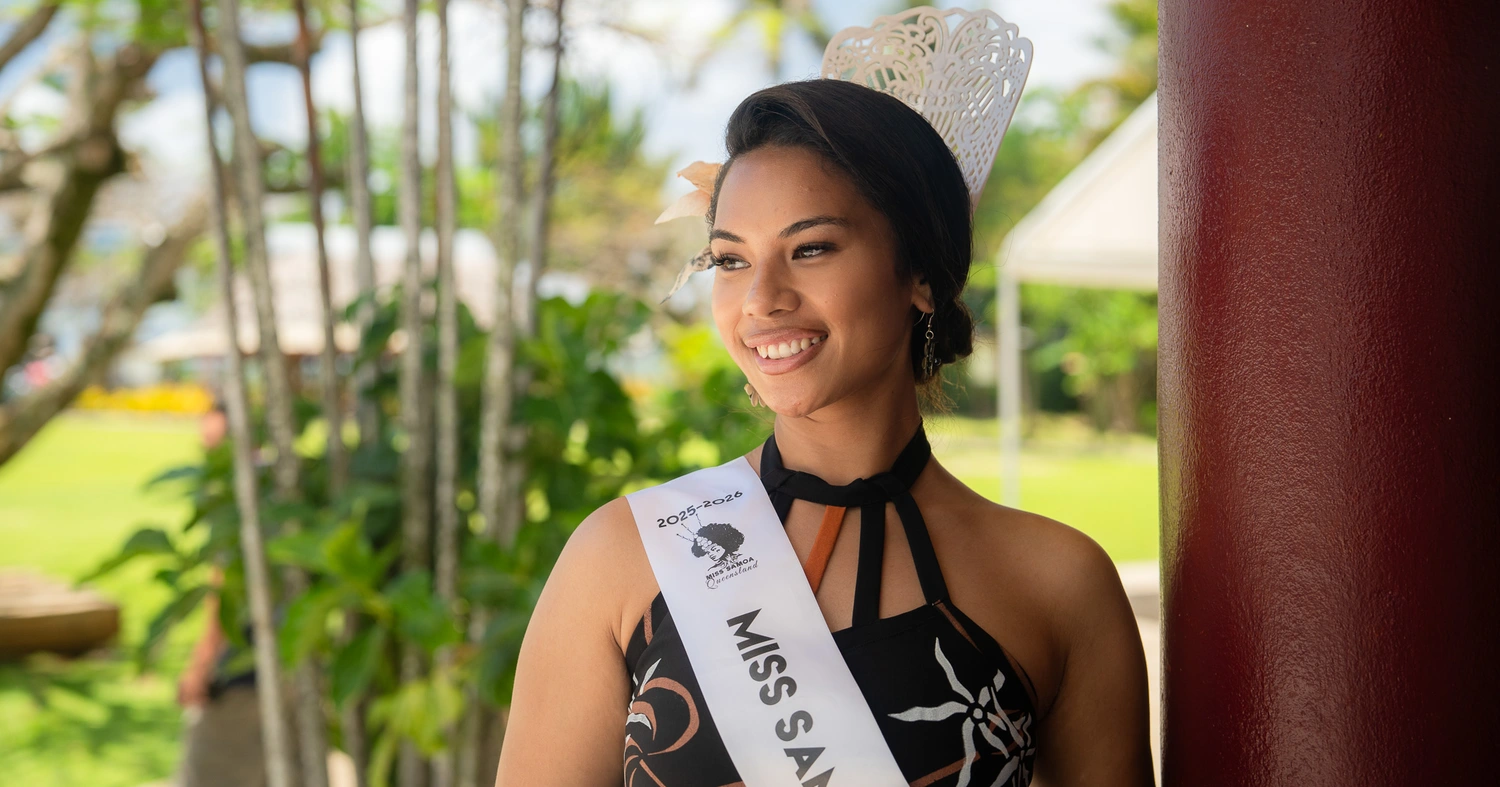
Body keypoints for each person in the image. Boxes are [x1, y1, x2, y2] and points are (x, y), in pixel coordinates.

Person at [497, 78, 1153, 786]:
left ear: (921, 274)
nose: (761, 300)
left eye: (810, 248)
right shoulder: (624, 556)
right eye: (729, 259)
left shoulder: (1057, 583)